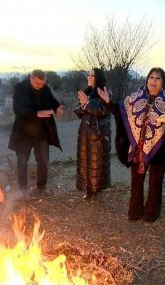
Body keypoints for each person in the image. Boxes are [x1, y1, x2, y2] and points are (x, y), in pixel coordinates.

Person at [98, 67, 165, 223]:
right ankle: (135, 212)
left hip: (161, 149)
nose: (153, 81)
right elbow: (121, 111)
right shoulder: (136, 97)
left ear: (163, 82)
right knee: (136, 182)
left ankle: (151, 214)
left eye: (158, 78)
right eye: (151, 77)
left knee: (155, 183)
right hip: (138, 148)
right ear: (147, 80)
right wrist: (108, 102)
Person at [8, 69, 63, 197]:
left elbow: (52, 100)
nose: (40, 86)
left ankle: (42, 187)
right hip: (23, 133)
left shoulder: (45, 88)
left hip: (41, 133)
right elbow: (17, 109)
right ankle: (23, 189)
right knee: (22, 161)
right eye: (38, 83)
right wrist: (37, 113)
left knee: (43, 161)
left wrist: (57, 107)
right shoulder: (20, 88)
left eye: (42, 83)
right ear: (31, 79)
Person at [74, 68, 112, 200]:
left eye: (92, 75)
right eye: (88, 75)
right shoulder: (88, 92)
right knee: (86, 162)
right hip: (85, 133)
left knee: (97, 163)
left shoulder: (105, 93)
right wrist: (83, 105)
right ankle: (88, 189)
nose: (89, 78)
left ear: (98, 78)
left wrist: (87, 104)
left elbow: (102, 111)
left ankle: (96, 190)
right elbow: (80, 112)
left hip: (98, 134)